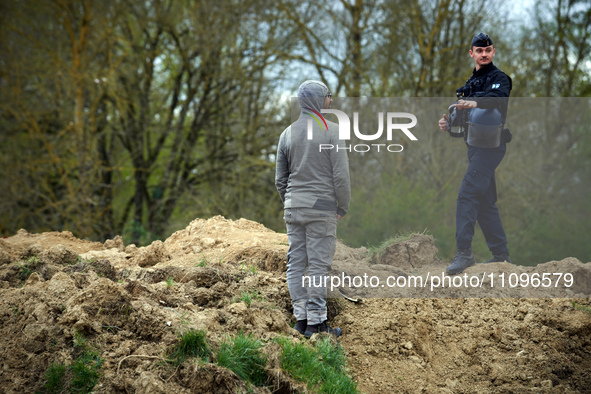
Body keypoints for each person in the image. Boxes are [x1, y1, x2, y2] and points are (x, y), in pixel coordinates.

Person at [275, 80, 350, 337]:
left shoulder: (286, 133)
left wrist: (292, 201)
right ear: (319, 100)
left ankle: (300, 321)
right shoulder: (331, 130)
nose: (331, 101)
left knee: (295, 264)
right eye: (328, 97)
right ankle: (317, 325)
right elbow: (340, 176)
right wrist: (343, 205)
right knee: (318, 266)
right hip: (322, 208)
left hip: (293, 208)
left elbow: (280, 180)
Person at [437, 33, 512, 275]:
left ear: (493, 52)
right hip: (474, 148)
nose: (484, 54)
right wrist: (448, 122)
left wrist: (474, 102)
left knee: (467, 195)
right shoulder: (469, 83)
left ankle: (464, 253)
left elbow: (495, 100)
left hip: (491, 149)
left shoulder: (500, 79)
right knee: (485, 202)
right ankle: (501, 255)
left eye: (488, 50)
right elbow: (462, 118)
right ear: (472, 53)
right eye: (480, 51)